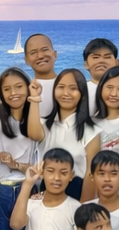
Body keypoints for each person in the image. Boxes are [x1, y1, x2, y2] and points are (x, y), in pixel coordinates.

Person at [0, 67, 43, 230]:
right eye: (7, 89)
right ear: (0, 93)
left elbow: (36, 135)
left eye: (19, 87)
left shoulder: (35, 118)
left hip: (28, 190)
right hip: (2, 190)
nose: (14, 93)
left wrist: (34, 99)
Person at [41, 67, 101, 196]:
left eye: (73, 88)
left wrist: (84, 205)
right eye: (61, 87)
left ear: (82, 94)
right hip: (44, 193)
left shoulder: (91, 131)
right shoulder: (43, 125)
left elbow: (91, 172)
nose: (66, 93)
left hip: (75, 192)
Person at [23, 32, 59, 117]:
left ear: (55, 54)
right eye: (33, 52)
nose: (40, 56)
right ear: (26, 60)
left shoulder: (69, 84)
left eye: (45, 49)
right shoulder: (25, 91)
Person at [82, 38, 119, 111]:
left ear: (117, 63)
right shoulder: (80, 91)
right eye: (96, 57)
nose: (101, 61)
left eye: (107, 57)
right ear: (86, 64)